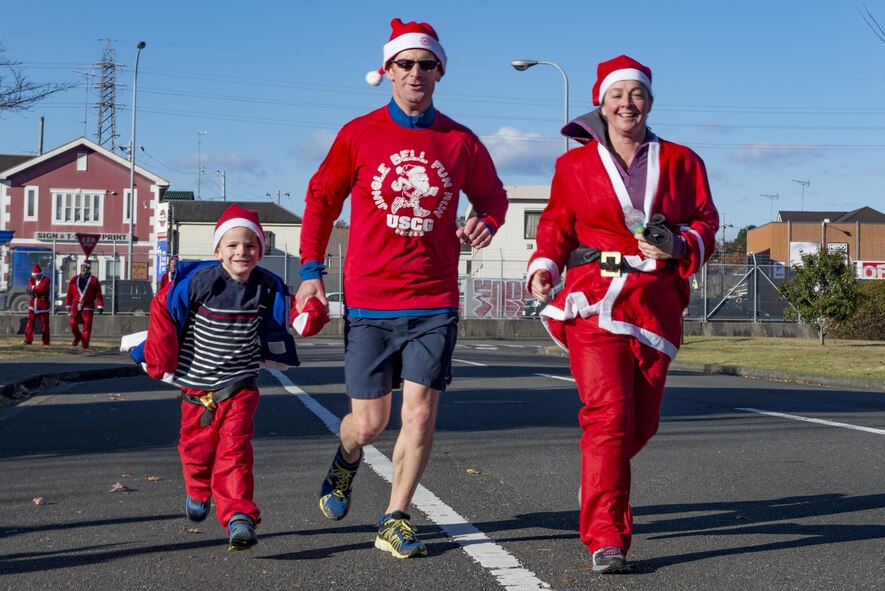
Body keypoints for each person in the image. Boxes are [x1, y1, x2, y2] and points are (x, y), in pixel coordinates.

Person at [296, 18, 508, 559]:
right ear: (388, 70)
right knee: (369, 424)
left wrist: (488, 219)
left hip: (434, 300)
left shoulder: (460, 141)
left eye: (426, 64)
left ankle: (395, 517)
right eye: (405, 64)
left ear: (440, 71)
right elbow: (322, 200)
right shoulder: (358, 134)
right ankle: (345, 459)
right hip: (369, 300)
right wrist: (310, 274)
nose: (416, 73)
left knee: (418, 414)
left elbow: (494, 197)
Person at [526, 55, 719, 573]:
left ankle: (599, 479)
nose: (626, 103)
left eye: (636, 94)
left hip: (654, 306)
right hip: (593, 301)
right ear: (602, 104)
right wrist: (544, 267)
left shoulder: (682, 160)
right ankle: (607, 536)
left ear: (650, 103)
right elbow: (556, 226)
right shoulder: (574, 165)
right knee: (608, 418)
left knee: (642, 424)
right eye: (617, 95)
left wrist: (678, 245)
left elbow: (706, 220)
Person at [126, 204, 301, 550]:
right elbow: (163, 309)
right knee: (196, 451)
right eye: (233, 245)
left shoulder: (267, 286)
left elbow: (289, 310)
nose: (242, 252)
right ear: (217, 250)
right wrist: (159, 356)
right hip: (196, 386)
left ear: (261, 250)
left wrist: (309, 312)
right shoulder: (200, 282)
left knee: (234, 451)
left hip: (240, 385)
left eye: (250, 246)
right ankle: (196, 488)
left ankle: (239, 517)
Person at [65, 260, 103, 349]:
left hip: (88, 305)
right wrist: (68, 304)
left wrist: (100, 305)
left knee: (87, 325)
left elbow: (98, 294)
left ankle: (85, 344)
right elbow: (69, 293)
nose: (83, 269)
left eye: (85, 267)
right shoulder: (74, 279)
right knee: (72, 323)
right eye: (82, 267)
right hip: (76, 304)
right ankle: (78, 336)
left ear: (89, 269)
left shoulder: (94, 280)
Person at [23, 264, 51, 345]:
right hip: (33, 304)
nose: (35, 277)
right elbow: (28, 289)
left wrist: (33, 288)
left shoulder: (46, 280)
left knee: (45, 325)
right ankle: (28, 339)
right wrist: (31, 289)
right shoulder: (32, 280)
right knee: (30, 322)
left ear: (40, 274)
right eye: (35, 276)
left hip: (43, 305)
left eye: (37, 275)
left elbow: (41, 289)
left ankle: (46, 341)